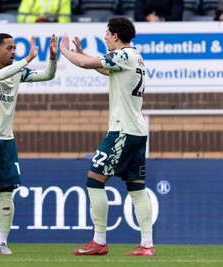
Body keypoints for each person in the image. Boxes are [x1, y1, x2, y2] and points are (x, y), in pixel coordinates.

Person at [60, 16, 155, 256]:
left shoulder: (123, 55)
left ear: (115, 35)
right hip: (138, 131)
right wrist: (82, 53)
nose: (105, 37)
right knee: (136, 188)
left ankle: (99, 241)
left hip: (122, 131)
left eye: (107, 34)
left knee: (94, 180)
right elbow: (104, 68)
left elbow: (85, 64)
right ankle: (146, 245)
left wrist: (65, 52)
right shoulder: (136, 57)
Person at [0, 33, 58, 254]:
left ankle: (3, 242)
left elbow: (47, 75)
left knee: (7, 193)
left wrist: (53, 58)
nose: (13, 51)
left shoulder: (17, 70)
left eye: (15, 48)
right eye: (9, 48)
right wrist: (26, 60)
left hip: (6, 140)